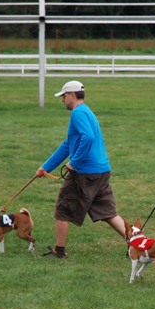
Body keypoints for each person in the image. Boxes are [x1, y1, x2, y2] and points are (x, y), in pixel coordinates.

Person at [36, 80, 126, 258]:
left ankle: (59, 252)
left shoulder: (78, 113)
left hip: (85, 172)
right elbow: (68, 144)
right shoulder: (87, 112)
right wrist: (45, 167)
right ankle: (139, 244)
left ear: (72, 95)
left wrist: (75, 162)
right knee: (108, 212)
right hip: (101, 170)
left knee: (63, 209)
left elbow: (88, 137)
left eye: (63, 96)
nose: (62, 100)